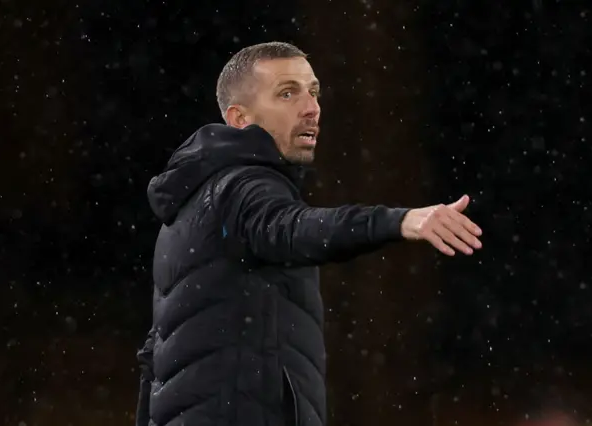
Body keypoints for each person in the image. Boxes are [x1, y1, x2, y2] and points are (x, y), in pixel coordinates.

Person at [135, 41, 483, 426]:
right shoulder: (245, 186)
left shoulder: (195, 202)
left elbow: (155, 357)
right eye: (287, 93)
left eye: (314, 92)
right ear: (239, 119)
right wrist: (399, 220)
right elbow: (293, 228)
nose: (312, 107)